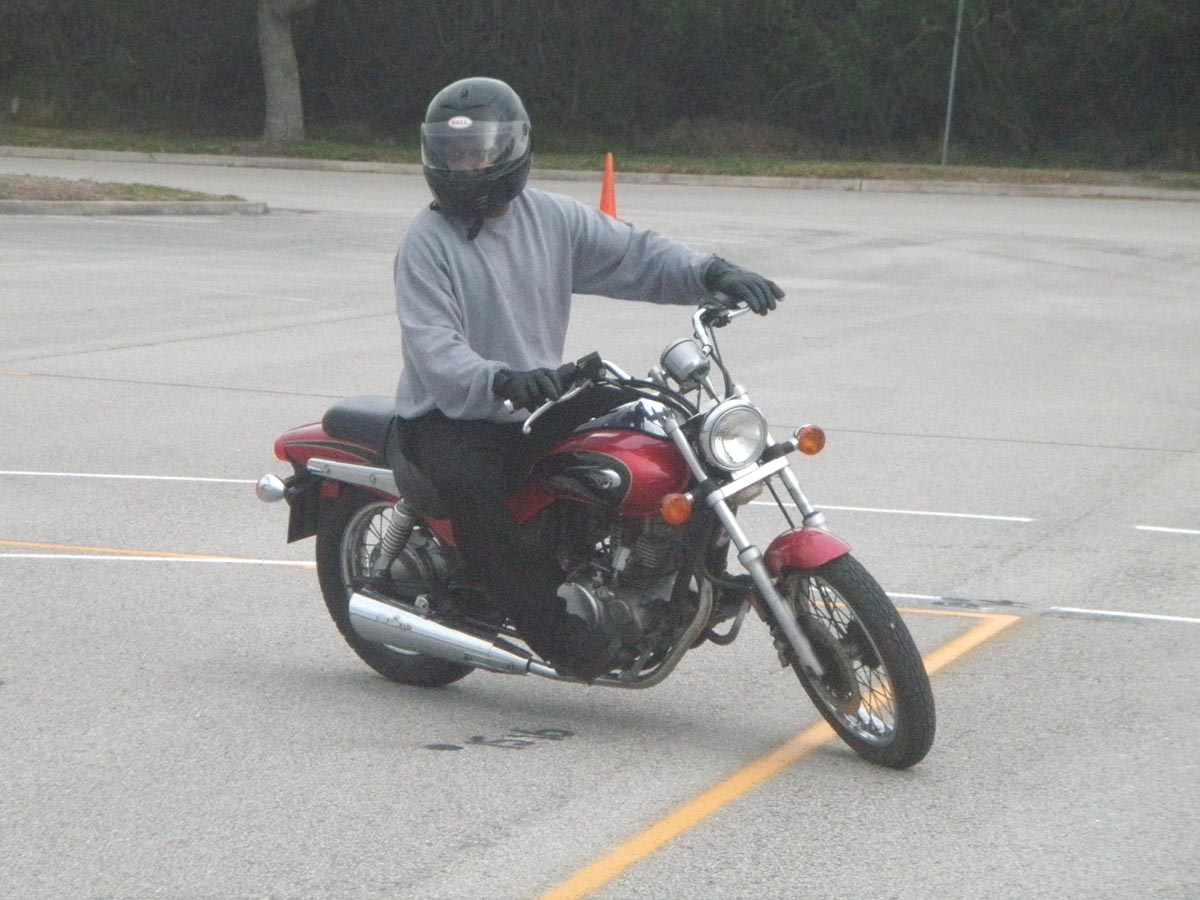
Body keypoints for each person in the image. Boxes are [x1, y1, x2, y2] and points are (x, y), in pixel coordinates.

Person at [392, 76, 783, 680]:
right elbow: (435, 348)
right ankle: (564, 639)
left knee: (657, 428)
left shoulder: (550, 218)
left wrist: (711, 272)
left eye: (478, 153)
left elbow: (634, 255)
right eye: (454, 153)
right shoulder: (426, 243)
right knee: (485, 512)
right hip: (452, 416)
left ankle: (668, 578)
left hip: (536, 399)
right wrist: (501, 379)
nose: (466, 166)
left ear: (512, 149)